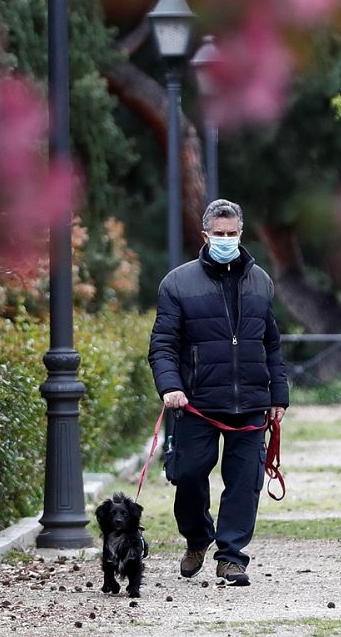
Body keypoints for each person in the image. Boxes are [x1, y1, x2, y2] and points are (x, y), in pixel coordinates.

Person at [148, 198, 289, 587]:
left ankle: (231, 558)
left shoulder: (261, 281)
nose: (226, 239)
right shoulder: (177, 283)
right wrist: (171, 386)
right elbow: (162, 344)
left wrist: (278, 396)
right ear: (205, 234)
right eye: (219, 234)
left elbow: (271, 344)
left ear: (240, 233)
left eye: (232, 234)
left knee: (245, 482)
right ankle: (197, 538)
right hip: (195, 403)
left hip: (250, 404)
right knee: (189, 474)